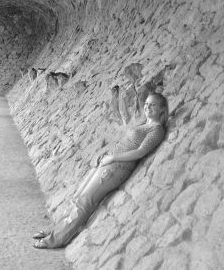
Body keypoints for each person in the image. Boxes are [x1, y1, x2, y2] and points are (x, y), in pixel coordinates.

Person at [32, 89, 168, 249]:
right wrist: (107, 155)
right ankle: (54, 230)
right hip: (109, 162)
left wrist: (113, 158)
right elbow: (126, 143)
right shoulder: (144, 124)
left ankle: (56, 239)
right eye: (146, 104)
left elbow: (141, 152)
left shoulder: (157, 130)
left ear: (162, 109)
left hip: (117, 167)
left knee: (85, 201)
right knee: (78, 197)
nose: (147, 107)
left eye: (153, 105)